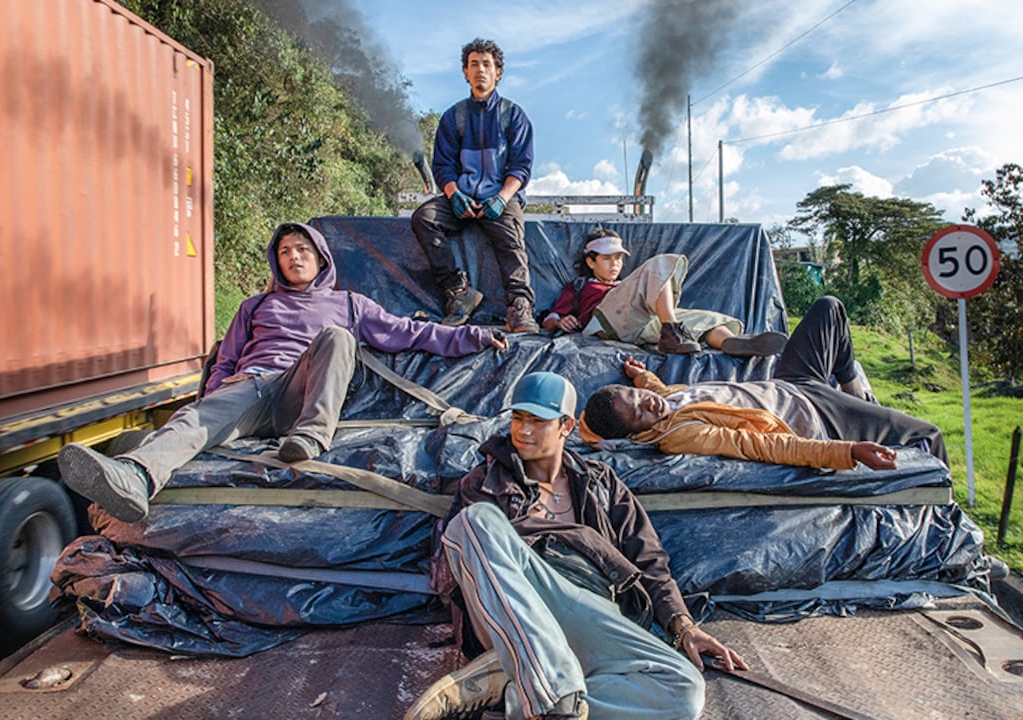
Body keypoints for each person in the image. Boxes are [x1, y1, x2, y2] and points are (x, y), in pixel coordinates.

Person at [58, 222, 507, 523]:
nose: (294, 257)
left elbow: (409, 332)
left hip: (300, 392)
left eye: (303, 249)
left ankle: (311, 437)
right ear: (276, 261)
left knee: (338, 338)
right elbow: (226, 360)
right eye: (285, 251)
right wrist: (213, 397)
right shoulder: (255, 306)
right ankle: (135, 478)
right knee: (192, 419)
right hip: (251, 390)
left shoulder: (350, 304)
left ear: (321, 258)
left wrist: (474, 337)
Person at [405, 372, 748, 720]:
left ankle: (518, 695)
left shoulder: (602, 483)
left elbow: (650, 560)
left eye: (538, 421)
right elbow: (468, 563)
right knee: (473, 521)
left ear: (566, 426)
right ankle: (551, 691)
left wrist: (683, 625)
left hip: (592, 610)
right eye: (518, 418)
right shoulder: (487, 482)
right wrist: (571, 535)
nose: (523, 431)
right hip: (523, 612)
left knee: (684, 690)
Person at [579, 296, 947, 470]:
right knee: (928, 435)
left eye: (638, 397)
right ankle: (946, 520)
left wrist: (640, 376)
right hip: (816, 414)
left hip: (790, 383)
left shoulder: (662, 402)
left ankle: (858, 392)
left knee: (828, 308)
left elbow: (660, 394)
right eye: (640, 413)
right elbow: (763, 446)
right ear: (637, 434)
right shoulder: (680, 435)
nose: (649, 403)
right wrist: (846, 451)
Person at [411, 38, 538, 333]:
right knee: (424, 218)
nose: (480, 70)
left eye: (487, 65)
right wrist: (454, 195)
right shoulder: (453, 117)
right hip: (462, 198)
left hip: (501, 198)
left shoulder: (513, 116)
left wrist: (502, 198)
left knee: (511, 238)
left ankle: (519, 306)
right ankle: (459, 292)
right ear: (465, 73)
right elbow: (443, 166)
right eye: (474, 64)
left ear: (498, 73)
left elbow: (521, 166)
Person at [541, 227, 788, 356]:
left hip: (640, 326)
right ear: (591, 261)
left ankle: (732, 343)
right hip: (606, 323)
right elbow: (549, 319)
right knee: (658, 268)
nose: (615, 264)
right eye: (607, 259)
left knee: (704, 319)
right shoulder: (581, 286)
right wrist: (560, 322)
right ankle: (672, 332)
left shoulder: (626, 285)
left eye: (618, 258)